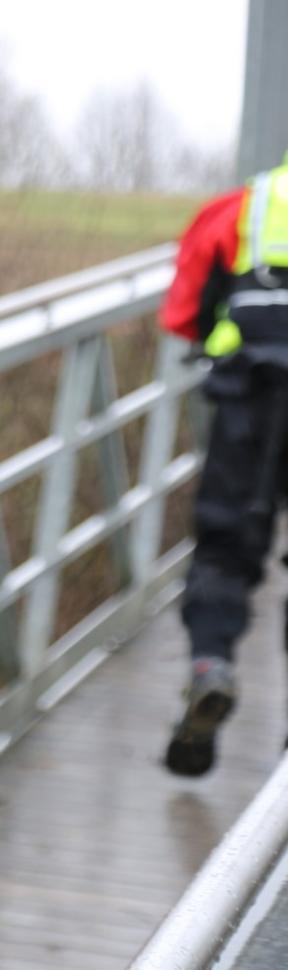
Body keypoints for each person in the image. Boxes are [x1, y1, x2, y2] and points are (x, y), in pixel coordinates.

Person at [161, 151, 288, 777]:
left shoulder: (245, 208)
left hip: (250, 401)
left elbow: (184, 313)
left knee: (224, 548)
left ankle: (212, 664)